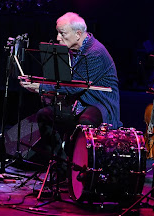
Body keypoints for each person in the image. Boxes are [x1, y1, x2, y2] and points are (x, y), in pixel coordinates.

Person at [20, 12, 120, 173]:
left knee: (85, 122)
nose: (58, 38)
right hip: (80, 102)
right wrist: (41, 83)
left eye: (62, 33)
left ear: (78, 34)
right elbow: (67, 83)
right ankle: (62, 165)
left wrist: (40, 87)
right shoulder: (75, 50)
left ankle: (80, 170)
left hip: (100, 103)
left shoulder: (95, 53)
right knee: (44, 114)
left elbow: (74, 87)